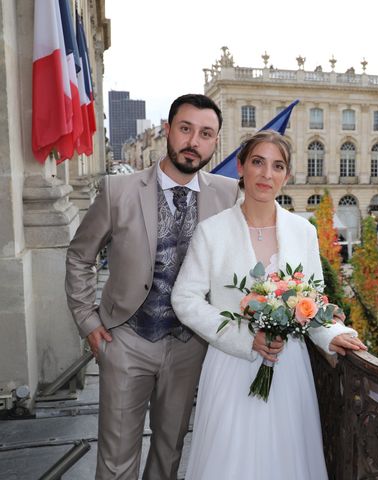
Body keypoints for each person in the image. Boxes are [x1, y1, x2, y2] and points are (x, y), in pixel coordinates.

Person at [171, 131, 367, 479]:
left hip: (289, 369)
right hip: (231, 367)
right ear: (241, 167)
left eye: (277, 166)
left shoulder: (302, 231)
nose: (266, 174)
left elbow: (313, 300)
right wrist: (244, 339)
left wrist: (333, 334)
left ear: (286, 176)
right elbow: (184, 298)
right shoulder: (211, 231)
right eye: (258, 163)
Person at [65, 94, 238, 479]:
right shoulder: (118, 190)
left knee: (170, 449)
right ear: (167, 130)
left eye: (206, 134)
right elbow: (80, 256)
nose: (194, 142)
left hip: (189, 345)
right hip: (126, 338)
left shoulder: (228, 194)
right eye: (185, 129)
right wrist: (87, 321)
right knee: (116, 456)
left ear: (216, 142)